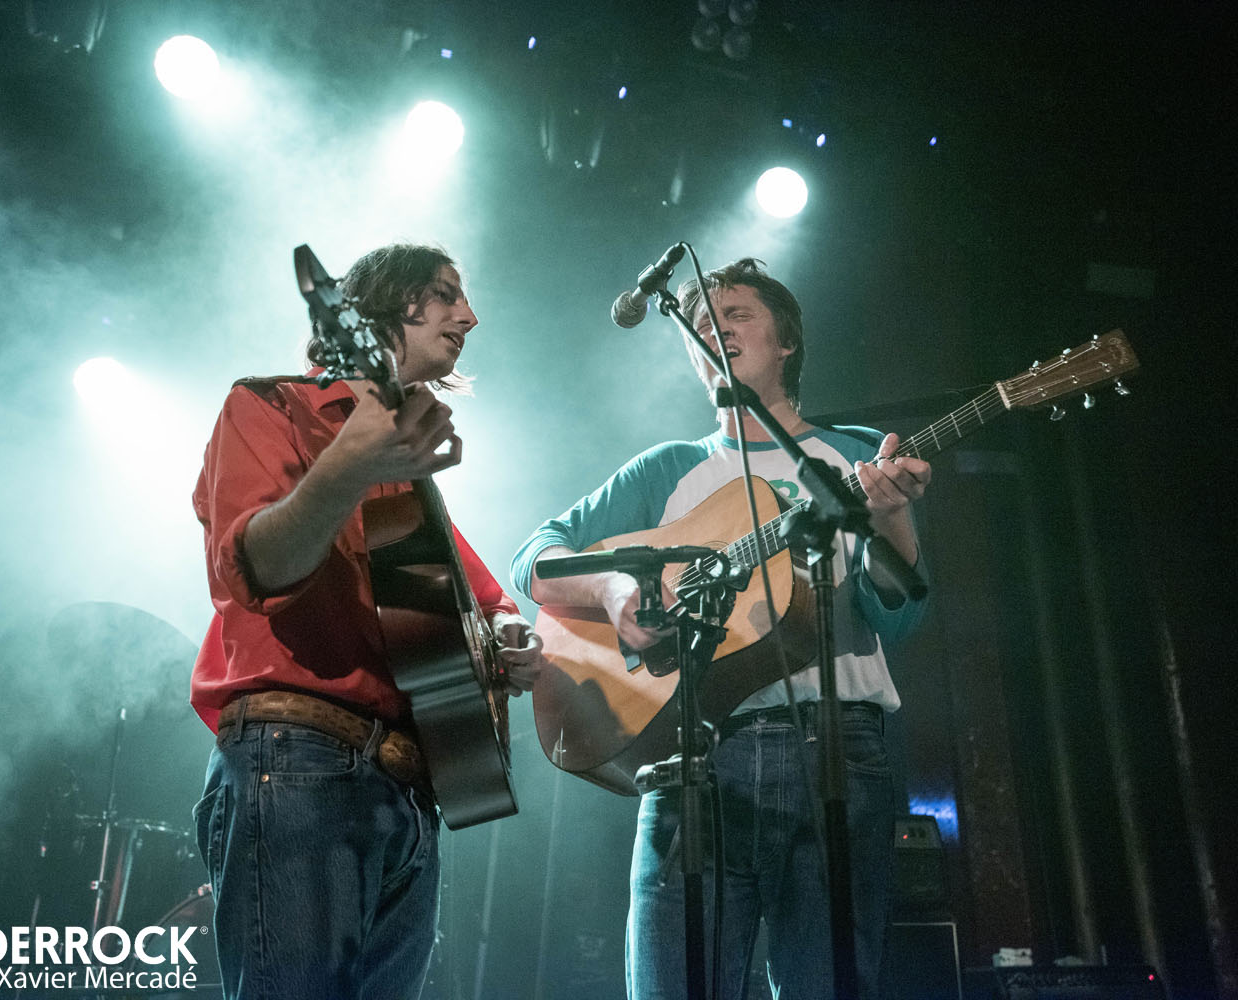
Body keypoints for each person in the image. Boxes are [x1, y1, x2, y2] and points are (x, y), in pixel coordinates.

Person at [510, 258, 931, 999]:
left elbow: (898, 618)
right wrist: (612, 588)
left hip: (838, 748)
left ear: (786, 342)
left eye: (736, 315)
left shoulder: (856, 455)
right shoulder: (667, 468)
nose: (716, 331)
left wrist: (891, 517)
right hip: (694, 754)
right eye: (702, 324)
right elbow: (534, 558)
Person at [190, 243, 542, 1000]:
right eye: (445, 293)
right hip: (298, 759)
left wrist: (510, 637)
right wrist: (349, 463)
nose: (469, 316)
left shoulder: (407, 480)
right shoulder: (270, 406)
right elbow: (259, 568)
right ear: (380, 307)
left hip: (411, 791)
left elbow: (485, 599)